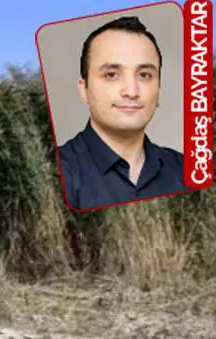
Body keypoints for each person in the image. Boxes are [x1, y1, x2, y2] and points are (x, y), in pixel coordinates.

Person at [55, 15, 186, 211]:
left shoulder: (185, 170)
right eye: (111, 75)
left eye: (144, 75)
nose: (131, 92)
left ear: (158, 88)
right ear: (84, 89)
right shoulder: (55, 174)